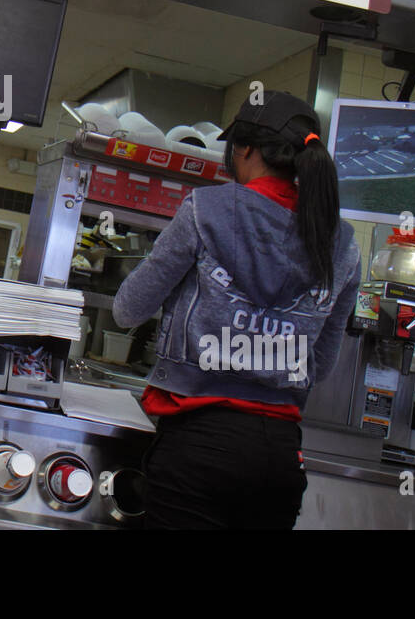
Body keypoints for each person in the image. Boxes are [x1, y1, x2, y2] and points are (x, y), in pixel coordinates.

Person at [113, 91, 361, 530]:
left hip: (199, 447)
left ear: (244, 149)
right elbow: (320, 365)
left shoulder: (205, 210)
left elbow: (127, 311)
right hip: (280, 458)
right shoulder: (343, 243)